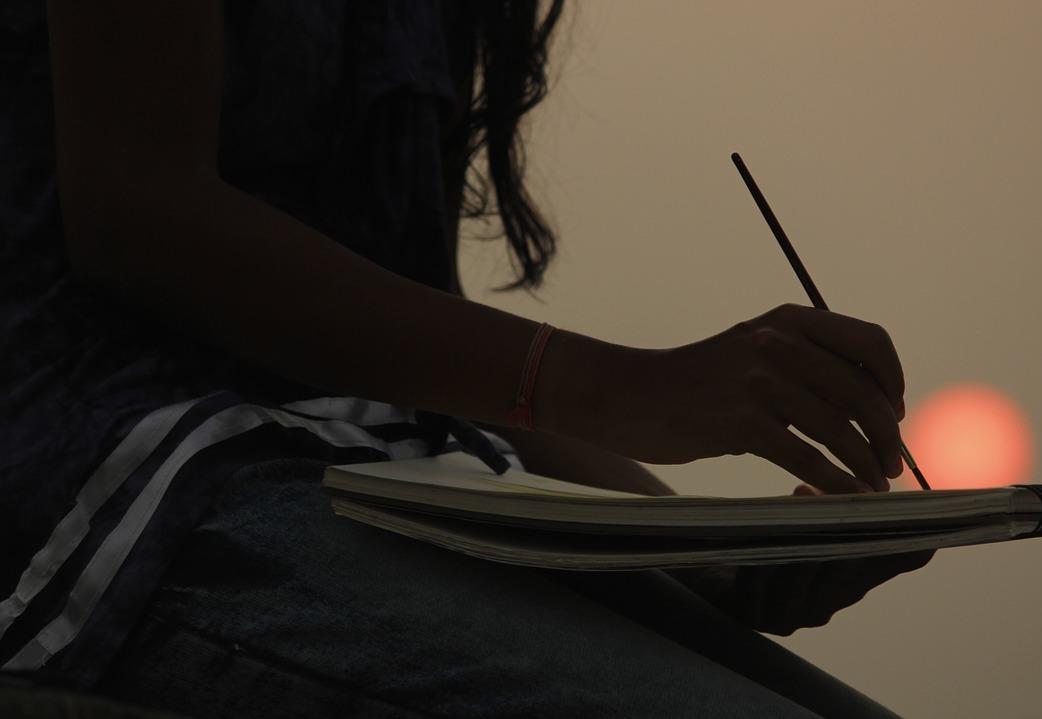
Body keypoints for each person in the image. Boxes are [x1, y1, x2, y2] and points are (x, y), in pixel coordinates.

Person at [0, 0, 932, 716]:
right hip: (127, 493)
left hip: (382, 484)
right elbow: (138, 209)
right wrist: (630, 387)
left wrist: (702, 546)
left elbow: (424, 354)